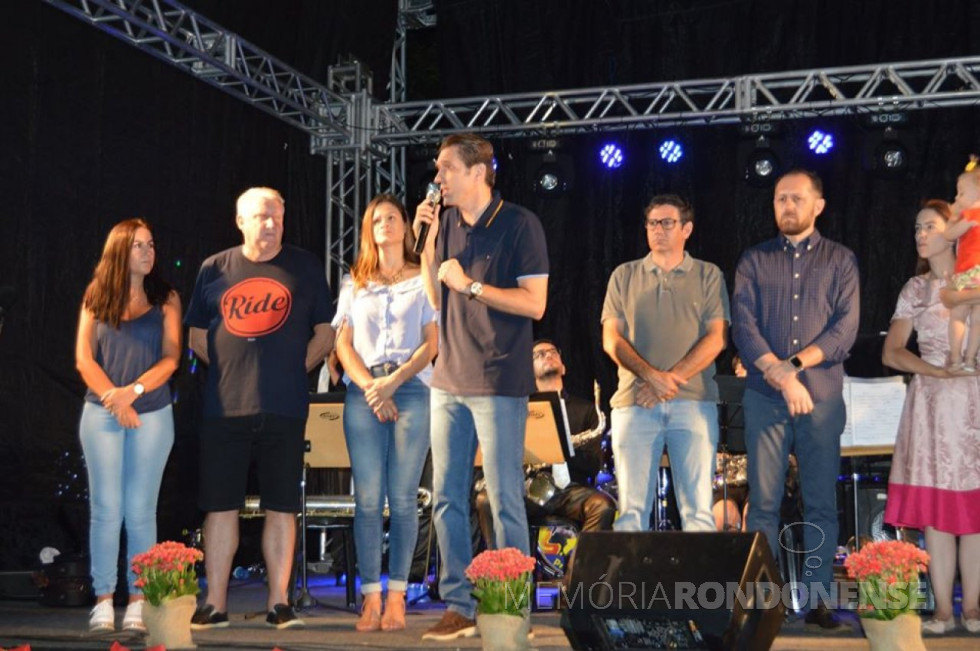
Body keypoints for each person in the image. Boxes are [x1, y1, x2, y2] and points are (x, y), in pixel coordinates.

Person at [412, 133, 548, 640]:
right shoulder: (444, 222)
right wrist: (426, 243)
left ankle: (512, 606)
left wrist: (470, 284)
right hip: (448, 379)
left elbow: (535, 304)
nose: (438, 177)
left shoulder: (519, 223)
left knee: (505, 496)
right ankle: (460, 605)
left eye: (447, 168)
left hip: (497, 379)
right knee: (447, 496)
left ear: (477, 172)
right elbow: (434, 294)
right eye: (438, 169)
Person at [185, 187, 334, 630]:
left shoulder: (306, 267)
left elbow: (324, 336)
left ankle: (278, 602)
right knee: (220, 506)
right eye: (261, 217)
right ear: (240, 221)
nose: (270, 224)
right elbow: (196, 338)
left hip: (285, 408)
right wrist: (235, 372)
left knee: (282, 506)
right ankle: (214, 603)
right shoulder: (214, 268)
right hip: (224, 410)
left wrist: (289, 370)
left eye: (276, 217)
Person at [732, 169, 859, 628]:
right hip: (766, 397)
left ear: (818, 205)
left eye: (796, 198)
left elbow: (845, 331)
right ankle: (765, 600)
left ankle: (819, 597)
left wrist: (796, 368)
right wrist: (781, 377)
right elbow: (743, 327)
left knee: (820, 501)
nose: (787, 205)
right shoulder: (753, 260)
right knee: (762, 503)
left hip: (821, 398)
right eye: (780, 198)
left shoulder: (841, 260)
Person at [333, 194, 438, 632]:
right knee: (368, 501)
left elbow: (433, 342)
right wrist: (373, 387)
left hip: (412, 388)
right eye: (377, 219)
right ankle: (370, 599)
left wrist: (392, 384)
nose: (385, 224)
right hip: (364, 391)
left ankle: (398, 596)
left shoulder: (423, 278)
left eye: (392, 218)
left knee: (403, 498)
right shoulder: (354, 282)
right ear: (368, 230)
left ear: (407, 227)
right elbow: (342, 344)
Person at [75, 219, 181, 632]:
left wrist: (131, 393)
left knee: (140, 510)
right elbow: (85, 359)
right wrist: (113, 400)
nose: (148, 252)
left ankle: (138, 601)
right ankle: (103, 599)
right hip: (101, 413)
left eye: (151, 245)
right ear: (120, 250)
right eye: (139, 245)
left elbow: (172, 359)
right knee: (106, 509)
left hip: (151, 412)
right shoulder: (95, 295)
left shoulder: (166, 297)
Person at [601, 194, 729, 533]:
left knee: (699, 514)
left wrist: (667, 381)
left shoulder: (708, 275)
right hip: (633, 403)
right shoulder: (623, 275)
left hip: (694, 404)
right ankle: (633, 588)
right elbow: (611, 339)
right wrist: (650, 377)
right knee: (629, 514)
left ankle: (699, 588)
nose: (658, 230)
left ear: (686, 228)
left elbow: (717, 338)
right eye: (652, 223)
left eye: (667, 223)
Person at [882, 199, 980, 635]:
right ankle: (943, 610)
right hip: (931, 404)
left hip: (974, 400)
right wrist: (937, 369)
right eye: (917, 227)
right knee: (937, 515)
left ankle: (973, 608)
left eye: (930, 226)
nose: (921, 235)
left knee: (974, 513)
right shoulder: (915, 289)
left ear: (954, 230)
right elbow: (893, 351)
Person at [474, 339, 616, 545]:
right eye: (538, 355)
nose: (547, 355)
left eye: (552, 352)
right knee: (485, 500)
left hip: (569, 490)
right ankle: (504, 573)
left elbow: (593, 466)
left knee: (603, 505)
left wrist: (560, 449)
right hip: (526, 489)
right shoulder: (519, 409)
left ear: (564, 367)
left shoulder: (586, 410)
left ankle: (577, 575)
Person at [942, 157, 980, 372]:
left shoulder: (971, 214)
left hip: (970, 271)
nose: (957, 197)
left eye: (961, 193)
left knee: (958, 315)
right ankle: (971, 360)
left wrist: (953, 216)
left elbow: (948, 235)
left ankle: (956, 358)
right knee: (977, 320)